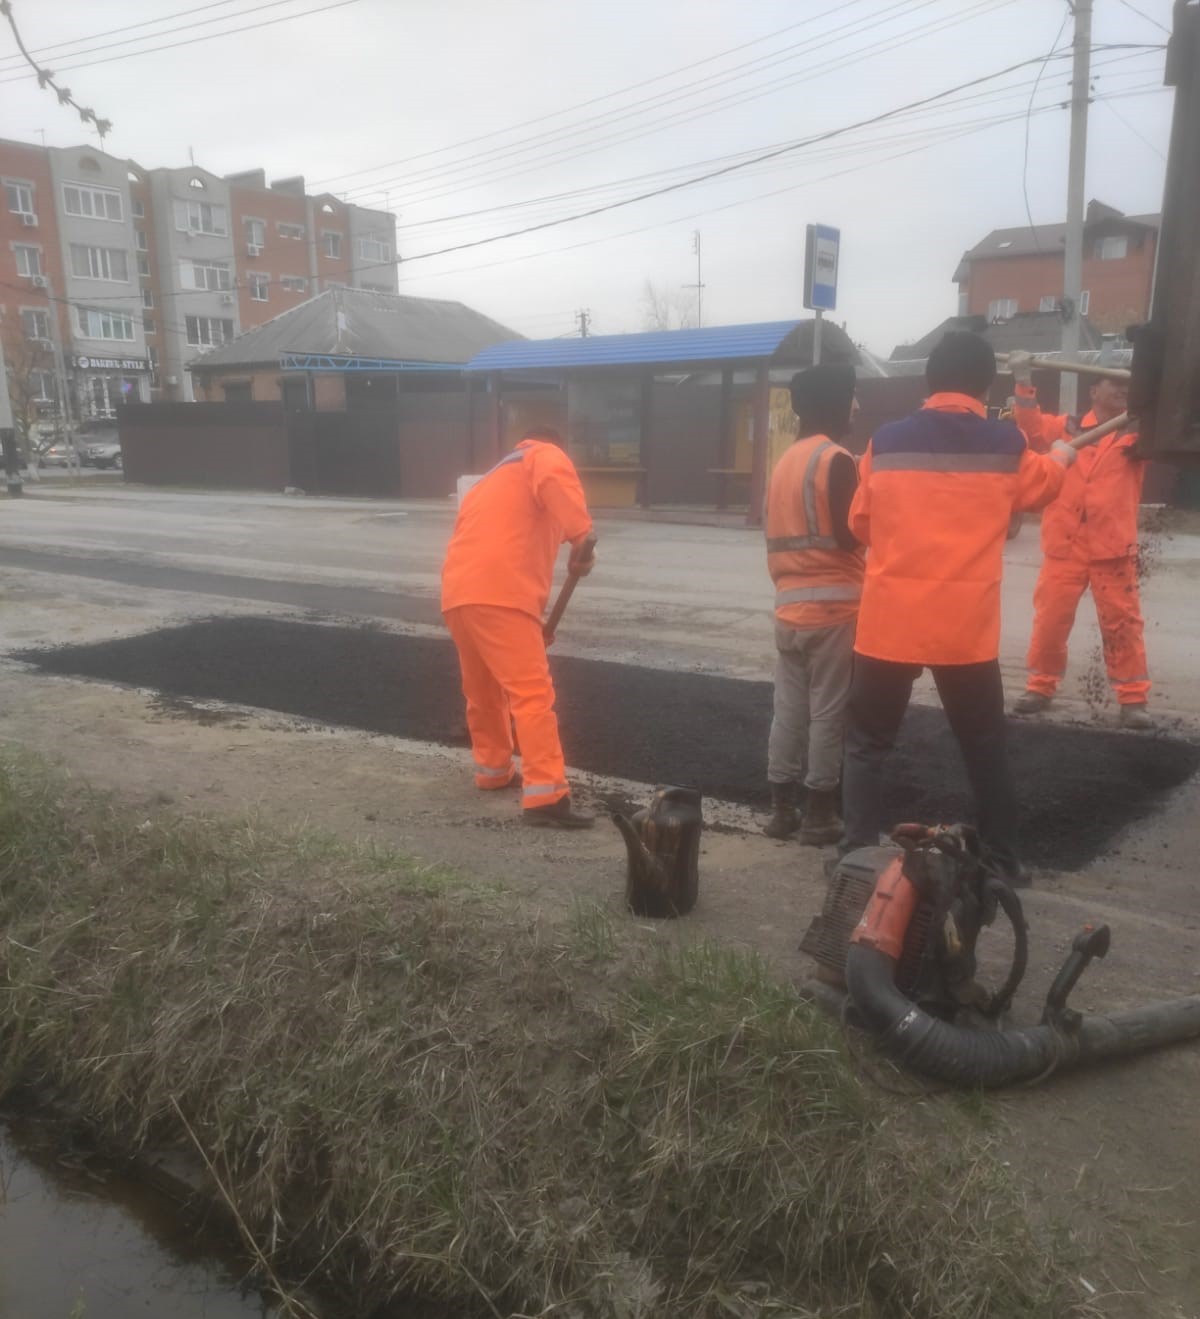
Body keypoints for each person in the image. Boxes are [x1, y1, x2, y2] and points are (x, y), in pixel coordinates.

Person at [840, 331, 1077, 883]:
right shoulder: (1006, 445)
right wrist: (1063, 452)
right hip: (963, 630)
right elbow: (1044, 486)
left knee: (868, 744)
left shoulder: (886, 441)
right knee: (983, 747)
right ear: (986, 383)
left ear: (929, 382)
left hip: (888, 624)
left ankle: (854, 854)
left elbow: (860, 524)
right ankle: (1002, 860)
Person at [441, 427, 598, 829]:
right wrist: (581, 534)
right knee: (531, 694)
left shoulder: (492, 479)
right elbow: (555, 481)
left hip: (460, 595)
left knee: (483, 689)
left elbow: (504, 533)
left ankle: (493, 771)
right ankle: (546, 795)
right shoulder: (542, 454)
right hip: (502, 593)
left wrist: (534, 619)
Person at [1006, 356, 1151, 729]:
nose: (1121, 389)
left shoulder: (1140, 433)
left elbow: (1173, 430)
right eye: (1113, 382)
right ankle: (1040, 687)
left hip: (1112, 548)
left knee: (1122, 625)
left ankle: (1133, 700)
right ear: (1093, 390)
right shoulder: (1066, 428)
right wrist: (1023, 379)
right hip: (1065, 545)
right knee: (1051, 622)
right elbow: (1029, 427)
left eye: (1127, 384)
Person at [762, 363, 862, 844]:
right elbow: (851, 536)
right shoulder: (836, 460)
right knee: (828, 713)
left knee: (789, 711)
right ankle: (820, 813)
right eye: (852, 397)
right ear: (835, 404)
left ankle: (782, 809)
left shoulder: (784, 462)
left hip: (788, 608)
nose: (857, 407)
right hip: (835, 611)